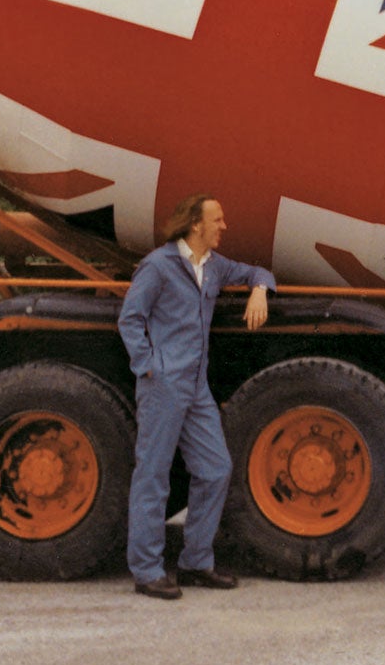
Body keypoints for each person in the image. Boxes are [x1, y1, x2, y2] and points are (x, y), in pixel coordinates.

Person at [117, 194, 274, 601]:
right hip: (164, 384)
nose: (224, 226)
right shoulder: (159, 265)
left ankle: (195, 561)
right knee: (153, 475)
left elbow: (257, 271)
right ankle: (147, 571)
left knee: (216, 469)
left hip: (197, 387)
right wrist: (148, 366)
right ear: (195, 224)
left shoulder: (215, 265)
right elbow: (130, 318)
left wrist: (260, 290)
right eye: (217, 220)